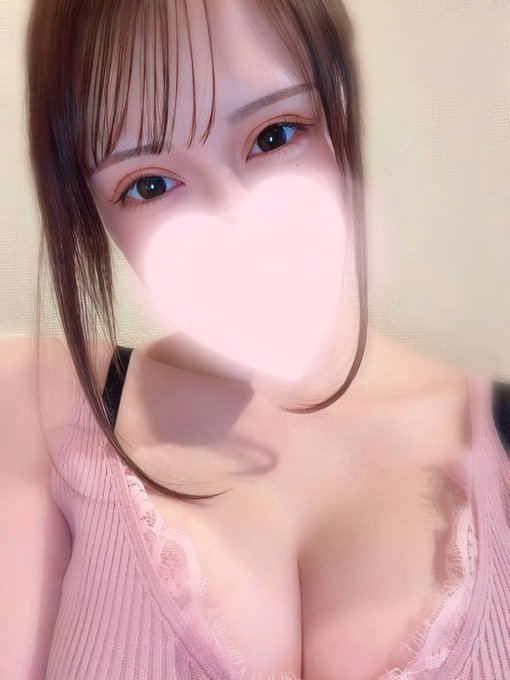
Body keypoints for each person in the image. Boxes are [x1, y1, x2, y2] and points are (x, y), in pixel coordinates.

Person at [1, 0, 509, 678]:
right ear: (93, 216)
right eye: (149, 185)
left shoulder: (497, 439)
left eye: (275, 136)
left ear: (339, 108)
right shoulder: (37, 406)